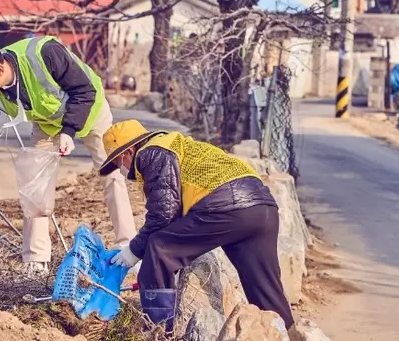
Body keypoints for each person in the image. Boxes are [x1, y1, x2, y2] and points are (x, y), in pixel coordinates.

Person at [0, 34, 138, 276]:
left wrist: (69, 131)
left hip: (91, 111)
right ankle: (36, 260)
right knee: (34, 186)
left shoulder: (44, 53)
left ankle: (128, 247)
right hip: (48, 125)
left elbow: (83, 90)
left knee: (112, 176)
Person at [99, 120, 294, 335]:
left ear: (128, 151)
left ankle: (158, 331)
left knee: (159, 248)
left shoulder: (151, 153)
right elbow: (175, 216)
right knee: (265, 289)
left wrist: (134, 251)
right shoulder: (174, 144)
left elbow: (163, 214)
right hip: (261, 206)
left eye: (119, 162)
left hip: (227, 206)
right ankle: (291, 334)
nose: (122, 169)